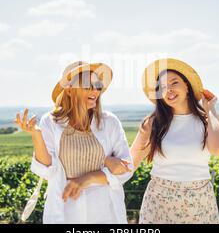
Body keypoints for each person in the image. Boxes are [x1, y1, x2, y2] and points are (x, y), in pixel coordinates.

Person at [112, 58, 219, 224]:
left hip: (199, 203)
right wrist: (104, 166)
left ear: (187, 87)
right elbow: (130, 162)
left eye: (174, 83)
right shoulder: (153, 123)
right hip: (159, 203)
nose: (168, 90)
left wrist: (210, 109)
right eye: (162, 87)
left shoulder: (207, 121)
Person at [15, 61, 133, 223]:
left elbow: (126, 169)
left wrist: (85, 179)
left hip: (104, 208)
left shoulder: (110, 122)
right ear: (69, 90)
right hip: (65, 205)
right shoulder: (50, 122)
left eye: (98, 86)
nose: (95, 91)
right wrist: (36, 135)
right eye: (87, 85)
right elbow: (47, 170)